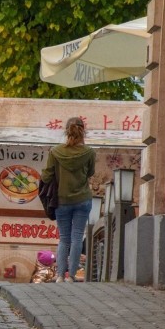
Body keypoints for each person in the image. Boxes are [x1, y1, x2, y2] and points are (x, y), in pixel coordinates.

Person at [41, 117, 95, 283]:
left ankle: (59, 276)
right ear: (82, 131)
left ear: (66, 131)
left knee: (64, 238)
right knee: (77, 237)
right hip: (83, 199)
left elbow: (47, 175)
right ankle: (71, 276)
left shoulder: (55, 152)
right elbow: (90, 173)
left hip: (62, 200)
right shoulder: (89, 152)